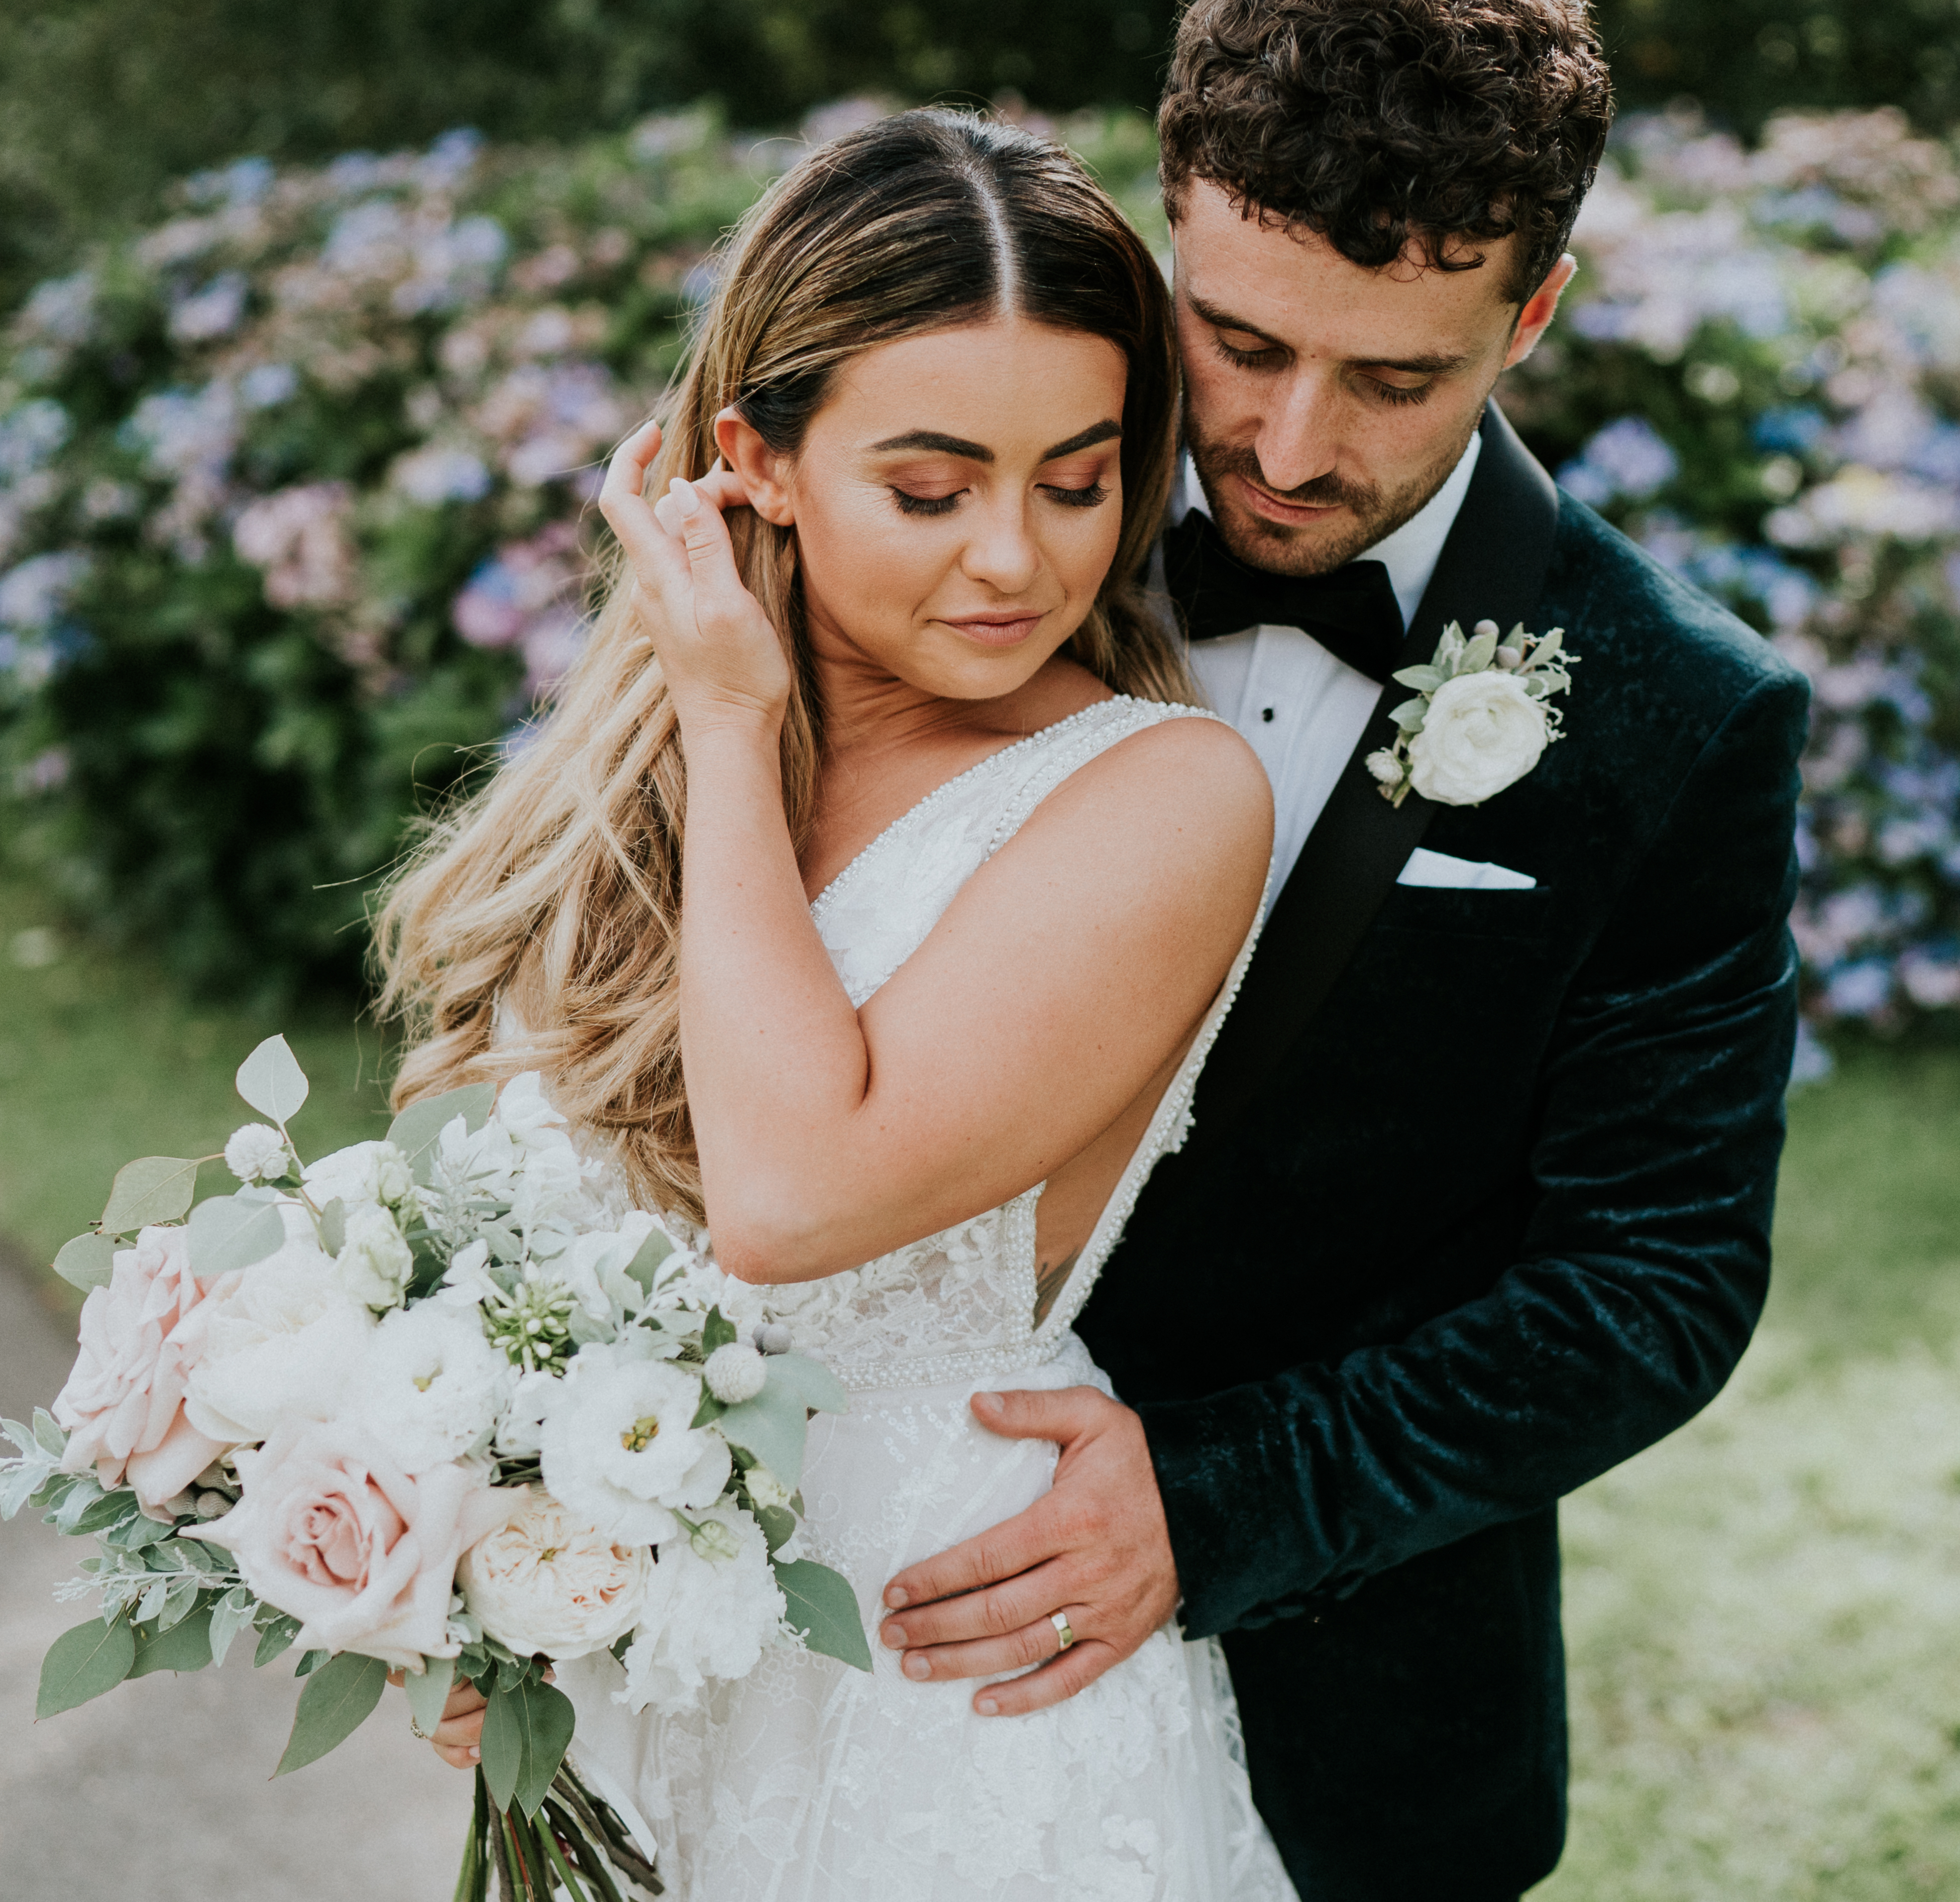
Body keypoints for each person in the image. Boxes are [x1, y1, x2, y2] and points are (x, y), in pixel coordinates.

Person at [867, 3, 1813, 1898]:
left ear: (1530, 315)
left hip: (1351, 1726)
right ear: (1166, 234)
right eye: (1239, 343)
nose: (1291, 448)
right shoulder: (951, 533)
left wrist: (1217, 1504)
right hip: (851, 1630)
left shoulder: (1675, 710)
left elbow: (1658, 1280)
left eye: (1395, 378)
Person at [376, 109, 1303, 1899]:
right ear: (761, 463)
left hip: (953, 1680)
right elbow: (484, 1216)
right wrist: (475, 1562)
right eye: (934, 489)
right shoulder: (638, 797)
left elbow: (795, 1200)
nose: (1016, 563)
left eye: (1080, 479)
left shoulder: (1162, 795)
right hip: (658, 1675)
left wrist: (729, 720)